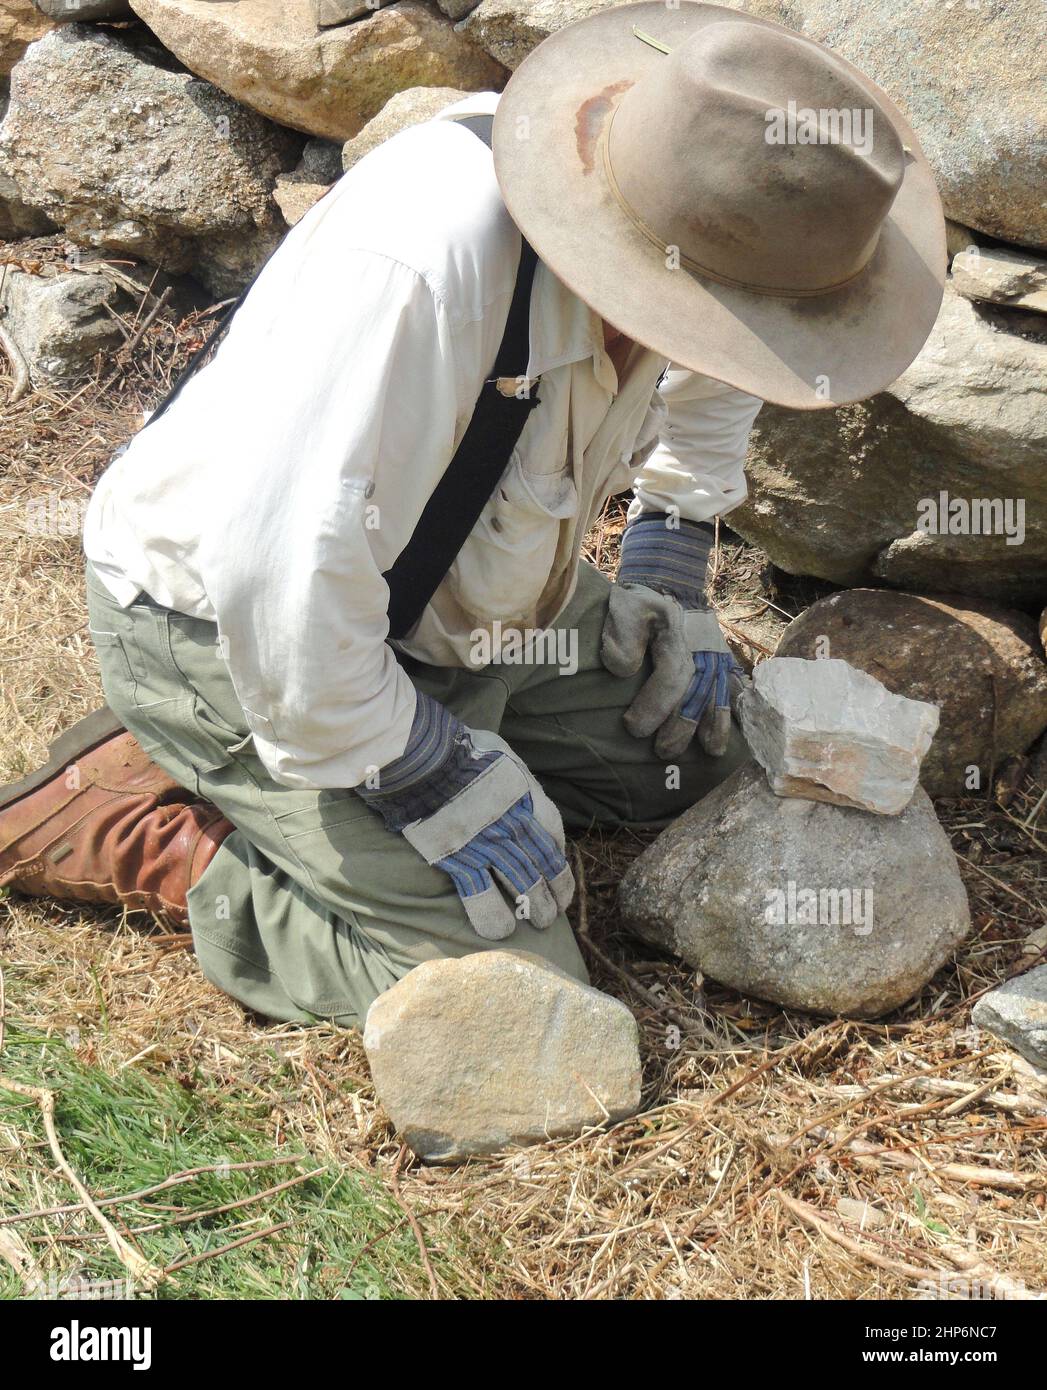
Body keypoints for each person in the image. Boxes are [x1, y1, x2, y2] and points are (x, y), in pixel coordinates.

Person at [0, 3, 945, 1028]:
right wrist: (416, 764)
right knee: (514, 989)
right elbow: (278, 573)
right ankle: (160, 825)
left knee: (699, 754)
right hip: (237, 626)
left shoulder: (713, 221)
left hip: (460, 592)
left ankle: (344, 762)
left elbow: (733, 353)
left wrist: (671, 546)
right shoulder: (424, 260)